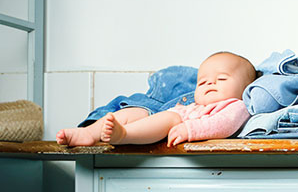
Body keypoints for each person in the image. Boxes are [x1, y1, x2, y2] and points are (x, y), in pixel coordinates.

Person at [56, 51, 256, 147]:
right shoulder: (192, 105)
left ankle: (123, 135)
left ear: (245, 88)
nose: (210, 83)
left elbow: (225, 124)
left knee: (171, 118)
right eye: (202, 82)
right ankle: (89, 133)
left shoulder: (236, 106)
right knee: (133, 111)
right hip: (161, 118)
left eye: (221, 79)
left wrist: (190, 129)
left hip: (174, 125)